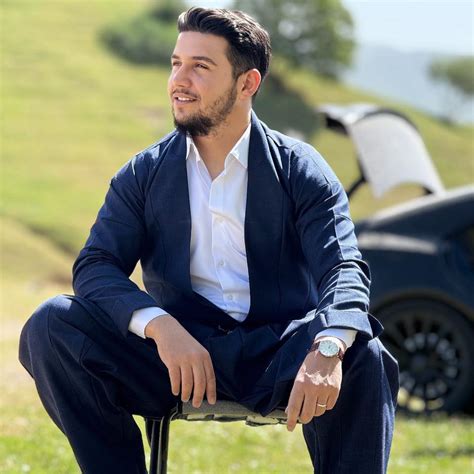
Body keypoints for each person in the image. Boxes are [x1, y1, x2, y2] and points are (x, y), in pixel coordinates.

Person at [19, 7, 399, 474]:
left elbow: (343, 267)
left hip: (279, 352)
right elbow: (96, 266)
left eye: (200, 66)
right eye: (176, 63)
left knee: (364, 354)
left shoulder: (301, 169)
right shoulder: (143, 173)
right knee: (52, 324)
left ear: (247, 83)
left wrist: (327, 348)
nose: (179, 80)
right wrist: (160, 326)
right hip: (176, 359)